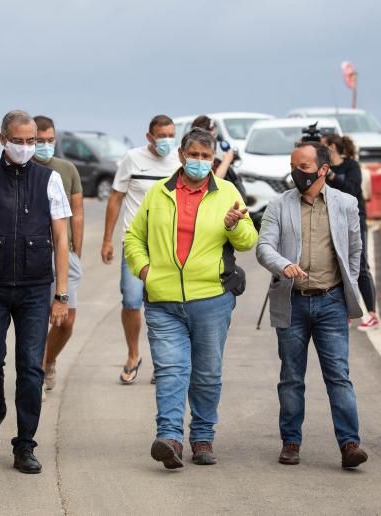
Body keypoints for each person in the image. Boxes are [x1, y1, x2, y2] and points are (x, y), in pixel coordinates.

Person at [124, 128, 257, 469]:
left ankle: (202, 437)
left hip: (211, 299)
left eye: (206, 157)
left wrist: (233, 225)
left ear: (213, 159)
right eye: (194, 155)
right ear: (181, 155)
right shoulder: (158, 193)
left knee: (207, 373)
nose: (200, 162)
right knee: (171, 371)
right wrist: (144, 271)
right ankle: (169, 438)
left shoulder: (227, 192)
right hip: (163, 300)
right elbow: (133, 238)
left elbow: (247, 242)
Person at [256, 141, 368, 470]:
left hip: (331, 302)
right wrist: (282, 265)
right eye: (293, 166)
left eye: (303, 167)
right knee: (291, 377)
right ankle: (291, 442)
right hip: (292, 302)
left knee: (339, 376)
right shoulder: (278, 205)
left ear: (322, 169)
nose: (296, 173)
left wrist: (349, 293)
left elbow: (354, 252)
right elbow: (264, 247)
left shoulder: (345, 204)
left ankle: (350, 444)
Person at [0, 110, 70, 474]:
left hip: (34, 289)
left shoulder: (50, 180)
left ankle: (25, 444)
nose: (27, 147)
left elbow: (61, 238)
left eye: (32, 141)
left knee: (31, 368)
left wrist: (60, 295)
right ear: (2, 139)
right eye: (19, 141)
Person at [101, 115, 181, 384]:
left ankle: (164, 362)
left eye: (171, 135)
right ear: (149, 137)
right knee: (132, 300)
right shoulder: (132, 159)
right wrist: (107, 239)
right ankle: (133, 355)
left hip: (168, 245)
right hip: (135, 243)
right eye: (162, 136)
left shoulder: (180, 161)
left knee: (165, 304)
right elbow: (115, 198)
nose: (167, 141)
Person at [33, 115, 84, 394]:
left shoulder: (67, 169)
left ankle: (49, 359)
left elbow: (77, 212)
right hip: (33, 256)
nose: (44, 145)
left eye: (49, 140)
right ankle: (36, 373)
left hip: (65, 255)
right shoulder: (24, 168)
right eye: (39, 141)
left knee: (66, 321)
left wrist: (77, 250)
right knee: (38, 320)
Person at [322, 134, 378, 331]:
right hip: (332, 218)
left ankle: (371, 313)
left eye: (323, 146)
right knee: (338, 264)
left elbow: (352, 189)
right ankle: (344, 311)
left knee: (360, 264)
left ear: (332, 147)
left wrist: (331, 176)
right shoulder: (321, 167)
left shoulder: (351, 166)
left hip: (354, 218)